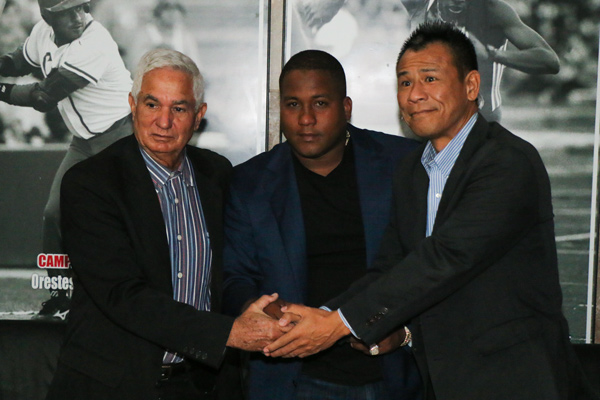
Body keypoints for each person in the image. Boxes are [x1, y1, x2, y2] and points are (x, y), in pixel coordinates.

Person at [263, 22, 592, 399]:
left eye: (430, 79)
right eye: (405, 82)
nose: (415, 94)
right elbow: (391, 267)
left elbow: (446, 257)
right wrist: (320, 315)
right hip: (442, 380)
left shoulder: (508, 161)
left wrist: (338, 323)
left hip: (517, 381)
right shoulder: (411, 171)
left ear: (471, 86)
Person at [45, 48, 290, 400]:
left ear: (198, 115)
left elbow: (229, 271)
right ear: (132, 105)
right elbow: (122, 294)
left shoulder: (217, 174)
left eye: (179, 108)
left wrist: (252, 305)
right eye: (152, 104)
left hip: (200, 385)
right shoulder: (90, 182)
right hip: (112, 386)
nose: (164, 121)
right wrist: (228, 333)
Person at [223, 50, 421, 400]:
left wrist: (405, 332)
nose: (306, 119)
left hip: (392, 373)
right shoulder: (250, 183)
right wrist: (266, 310)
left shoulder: (402, 164)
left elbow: (432, 265)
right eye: (293, 105)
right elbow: (233, 277)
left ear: (346, 108)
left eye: (320, 103)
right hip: (292, 377)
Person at [0, 0, 133, 318]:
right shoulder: (42, 32)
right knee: (54, 215)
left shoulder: (95, 41)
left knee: (123, 224)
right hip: (83, 144)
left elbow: (44, 96)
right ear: (48, 15)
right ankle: (61, 296)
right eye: (68, 11)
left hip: (123, 138)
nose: (79, 16)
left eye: (81, 7)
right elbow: (18, 61)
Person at [402, 0, 559, 122]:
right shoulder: (420, 6)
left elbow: (549, 60)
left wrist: (494, 55)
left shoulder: (492, 11)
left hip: (480, 129)